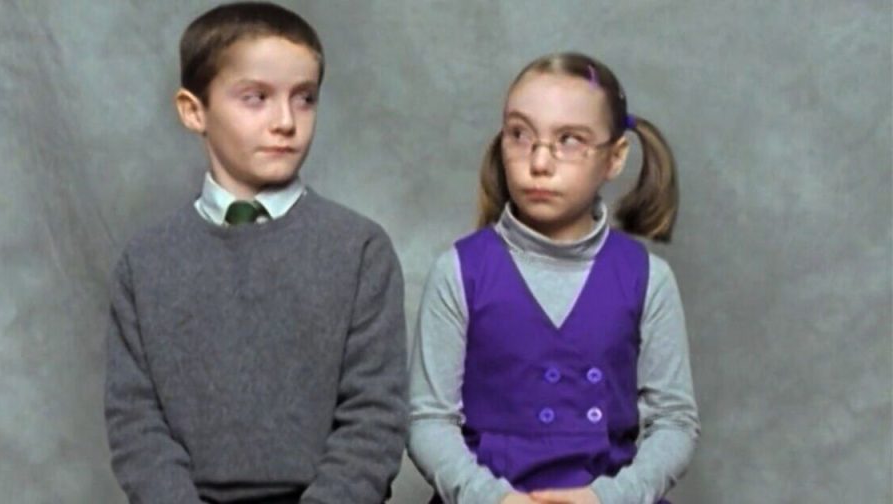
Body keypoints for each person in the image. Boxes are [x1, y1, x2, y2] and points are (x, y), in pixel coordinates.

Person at [104, 3, 408, 502]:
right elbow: (135, 425)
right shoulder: (146, 263)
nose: (285, 121)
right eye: (256, 98)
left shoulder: (359, 250)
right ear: (194, 111)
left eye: (304, 99)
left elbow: (374, 421)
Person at [408, 52, 699, 504]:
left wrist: (610, 498)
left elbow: (675, 423)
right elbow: (428, 421)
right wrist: (492, 498)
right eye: (520, 135)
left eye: (569, 140)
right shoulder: (458, 272)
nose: (540, 161)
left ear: (615, 157)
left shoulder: (649, 279)